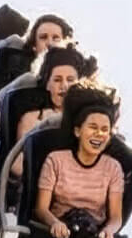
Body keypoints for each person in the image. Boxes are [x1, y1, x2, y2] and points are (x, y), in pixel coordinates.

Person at [31, 86, 125, 238]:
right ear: (77, 131)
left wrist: (109, 231)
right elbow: (41, 208)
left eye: (104, 130)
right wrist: (54, 223)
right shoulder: (56, 160)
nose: (98, 134)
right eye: (92, 127)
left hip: (92, 235)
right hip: (59, 232)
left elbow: (116, 216)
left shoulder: (113, 168)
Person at [10, 46, 94, 178]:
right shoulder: (33, 117)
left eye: (70, 80)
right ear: (47, 84)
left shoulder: (90, 119)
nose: (64, 85)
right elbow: (17, 162)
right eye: (57, 80)